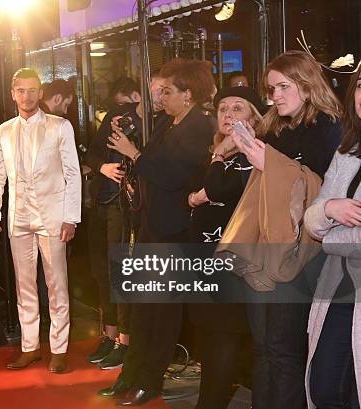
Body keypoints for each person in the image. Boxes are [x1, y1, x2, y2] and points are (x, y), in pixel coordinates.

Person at [224, 50, 342, 409]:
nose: (274, 95)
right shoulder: (273, 126)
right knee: (262, 348)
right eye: (271, 88)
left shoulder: (329, 128)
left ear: (307, 86)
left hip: (302, 251)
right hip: (264, 245)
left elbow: (325, 192)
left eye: (282, 86)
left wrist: (268, 162)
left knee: (284, 349)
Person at [102, 59, 216, 406]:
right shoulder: (168, 122)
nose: (161, 97)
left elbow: (172, 175)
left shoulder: (200, 127)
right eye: (160, 91)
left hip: (175, 232)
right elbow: (151, 167)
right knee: (142, 308)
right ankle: (131, 375)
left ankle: (148, 381)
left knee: (162, 314)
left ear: (188, 93)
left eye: (168, 91)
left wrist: (133, 153)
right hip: (152, 226)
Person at [0, 68, 82, 373]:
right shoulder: (4, 130)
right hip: (19, 216)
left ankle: (59, 348)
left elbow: (72, 173)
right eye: (20, 90)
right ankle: (29, 347)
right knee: (24, 286)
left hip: (52, 216)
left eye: (31, 90)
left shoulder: (60, 126)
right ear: (13, 93)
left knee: (57, 284)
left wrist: (71, 218)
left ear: (40, 93)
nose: (26, 96)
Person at [187, 86, 266, 409]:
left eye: (238, 109)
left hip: (232, 263)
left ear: (255, 119)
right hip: (203, 259)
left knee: (223, 337)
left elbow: (217, 190)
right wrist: (199, 192)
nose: (229, 115)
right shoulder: (215, 151)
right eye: (223, 108)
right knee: (208, 335)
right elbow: (189, 192)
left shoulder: (253, 155)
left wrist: (218, 160)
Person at [84, 74, 161, 370]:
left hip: (128, 209)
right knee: (100, 272)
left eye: (162, 92)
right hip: (101, 203)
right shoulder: (118, 118)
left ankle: (124, 341)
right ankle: (110, 333)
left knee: (121, 274)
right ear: (139, 93)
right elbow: (90, 152)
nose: (157, 97)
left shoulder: (157, 126)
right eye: (153, 90)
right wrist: (103, 166)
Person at [304, 68, 361, 409]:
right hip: (338, 282)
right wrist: (331, 209)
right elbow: (311, 220)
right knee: (323, 385)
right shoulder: (347, 151)